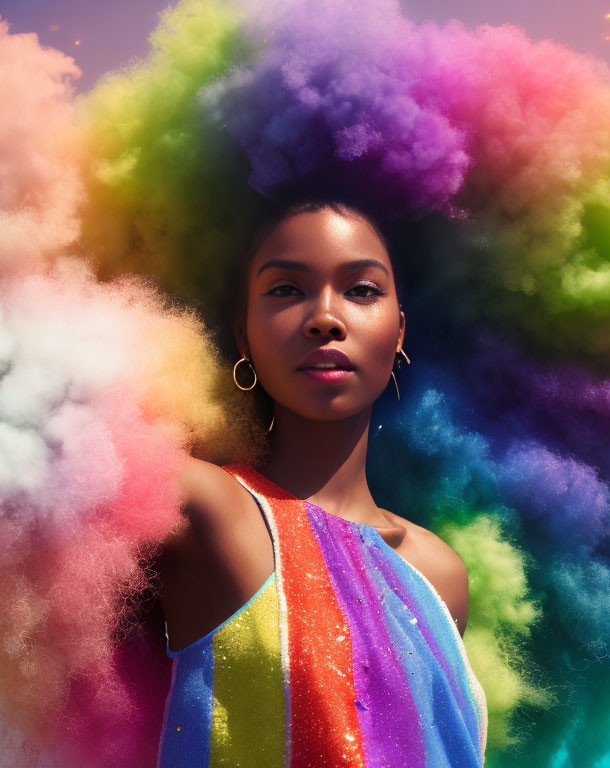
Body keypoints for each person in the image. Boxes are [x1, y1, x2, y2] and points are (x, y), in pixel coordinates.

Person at [153, 193, 488, 766]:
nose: (324, 318)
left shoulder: (440, 574)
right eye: (286, 289)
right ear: (244, 335)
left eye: (361, 290)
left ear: (399, 331)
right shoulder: (205, 509)